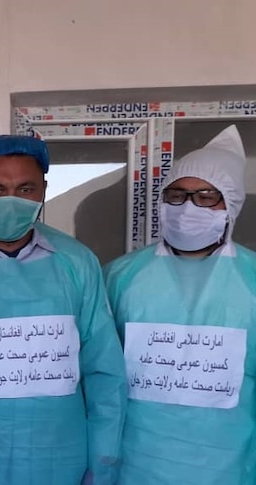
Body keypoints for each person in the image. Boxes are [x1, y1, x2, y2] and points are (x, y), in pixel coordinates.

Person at [0, 135, 127, 485]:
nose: (11, 201)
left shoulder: (77, 263)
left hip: (64, 457)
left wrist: (103, 461)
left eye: (25, 189)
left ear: (43, 191)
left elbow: (104, 372)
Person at [104, 125, 256, 485]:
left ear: (231, 204)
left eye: (206, 197)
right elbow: (99, 375)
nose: (188, 207)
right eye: (176, 195)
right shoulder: (120, 277)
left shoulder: (252, 281)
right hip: (135, 462)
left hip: (229, 464)